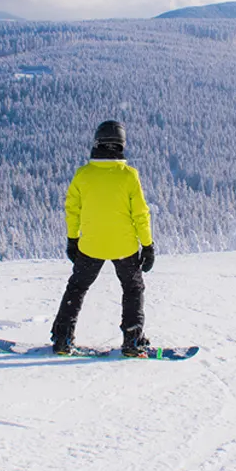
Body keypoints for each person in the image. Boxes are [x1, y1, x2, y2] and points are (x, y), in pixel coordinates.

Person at [51, 120, 156, 356]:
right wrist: (148, 246)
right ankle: (133, 341)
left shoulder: (83, 174)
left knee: (77, 288)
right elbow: (141, 214)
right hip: (124, 247)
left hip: (91, 246)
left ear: (97, 143)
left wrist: (72, 239)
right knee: (132, 289)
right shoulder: (129, 176)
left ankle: (62, 338)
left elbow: (72, 209)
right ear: (121, 145)